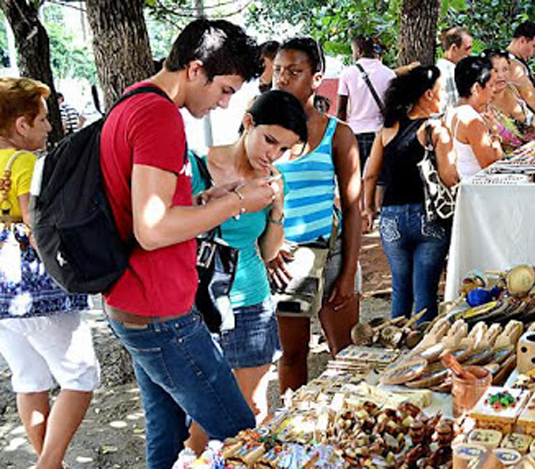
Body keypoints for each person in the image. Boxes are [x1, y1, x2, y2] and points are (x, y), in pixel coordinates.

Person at [99, 19, 273, 468]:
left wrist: (200, 202)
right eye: (225, 90)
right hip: (161, 312)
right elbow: (153, 229)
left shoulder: (134, 101)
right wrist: (237, 201)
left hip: (136, 303)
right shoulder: (158, 115)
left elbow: (144, 207)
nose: (224, 104)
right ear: (196, 70)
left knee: (166, 432)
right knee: (244, 438)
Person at [185, 90, 307, 447]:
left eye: (283, 149)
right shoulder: (198, 166)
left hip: (251, 299)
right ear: (248, 122)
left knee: (253, 410)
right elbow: (179, 230)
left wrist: (278, 206)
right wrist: (230, 199)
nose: (273, 154)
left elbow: (268, 251)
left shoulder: (272, 178)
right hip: (200, 304)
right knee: (202, 421)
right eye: (269, 140)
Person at [0, 77, 100, 469]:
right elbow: (35, 224)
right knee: (81, 376)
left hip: (1, 292)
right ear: (21, 124)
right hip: (34, 288)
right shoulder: (24, 162)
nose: (48, 128)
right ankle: (49, 463)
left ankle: (48, 459)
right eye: (42, 120)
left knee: (28, 379)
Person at [270, 37, 363, 393]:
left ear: (316, 77)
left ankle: (348, 433)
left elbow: (354, 207)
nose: (282, 79)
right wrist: (268, 249)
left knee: (346, 357)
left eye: (294, 71)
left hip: (333, 253)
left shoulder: (338, 134)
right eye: (278, 70)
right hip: (285, 260)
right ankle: (290, 435)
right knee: (292, 356)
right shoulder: (260, 129)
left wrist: (349, 271)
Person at [361, 65, 458, 322]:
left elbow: (370, 174)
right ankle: (421, 352)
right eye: (442, 91)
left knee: (400, 288)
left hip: (391, 216)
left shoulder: (388, 128)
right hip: (428, 216)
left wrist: (368, 208)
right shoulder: (435, 130)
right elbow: (449, 177)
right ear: (428, 94)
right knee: (425, 292)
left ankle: (396, 344)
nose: (445, 96)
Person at [337, 35, 396, 172]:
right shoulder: (389, 74)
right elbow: (393, 108)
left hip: (354, 134)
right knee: (378, 180)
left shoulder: (347, 73)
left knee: (354, 179)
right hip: (379, 134)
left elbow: (341, 111)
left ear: (358, 51)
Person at [448, 56, 505, 179]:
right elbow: (492, 166)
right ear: (476, 88)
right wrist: (495, 134)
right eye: (490, 85)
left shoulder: (452, 111)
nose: (493, 90)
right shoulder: (472, 120)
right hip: (476, 189)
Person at [481, 49, 535, 152]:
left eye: (505, 69)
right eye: (495, 71)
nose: (501, 75)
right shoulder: (482, 104)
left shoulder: (517, 90)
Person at [436, 26, 473, 112]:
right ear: (454, 48)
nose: (470, 53)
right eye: (467, 49)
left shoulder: (440, 69)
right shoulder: (448, 74)